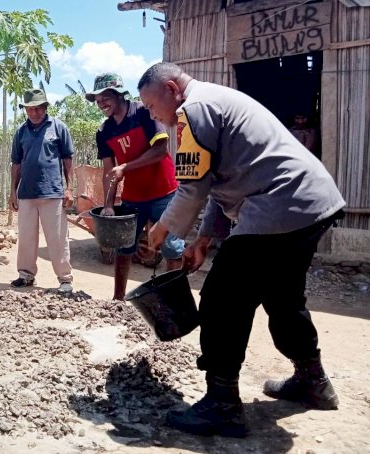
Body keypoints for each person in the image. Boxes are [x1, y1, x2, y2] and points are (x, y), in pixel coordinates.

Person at [139, 62, 345, 437]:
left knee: (221, 299)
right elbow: (222, 184)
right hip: (314, 203)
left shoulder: (194, 111)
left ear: (171, 88)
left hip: (278, 205)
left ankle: (222, 405)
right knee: (283, 296)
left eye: (152, 107)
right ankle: (313, 381)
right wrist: (203, 239)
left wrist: (163, 228)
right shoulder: (217, 101)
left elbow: (191, 188)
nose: (155, 117)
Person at [85, 72, 184, 301]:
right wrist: (108, 204)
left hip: (164, 192)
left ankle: (172, 300)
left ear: (119, 94)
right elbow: (109, 171)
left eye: (105, 98)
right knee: (124, 246)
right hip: (134, 196)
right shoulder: (104, 131)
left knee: (172, 247)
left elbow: (160, 151)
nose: (101, 104)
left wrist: (126, 168)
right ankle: (118, 300)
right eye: (98, 101)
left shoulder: (143, 113)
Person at [10, 88, 75, 294]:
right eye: (30, 109)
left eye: (38, 108)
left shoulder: (58, 127)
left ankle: (65, 279)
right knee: (27, 238)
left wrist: (69, 188)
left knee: (57, 238)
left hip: (53, 192)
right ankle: (26, 275)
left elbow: (67, 159)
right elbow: (16, 164)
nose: (34, 113)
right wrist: (13, 191)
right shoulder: (21, 132)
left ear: (45, 107)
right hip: (26, 194)